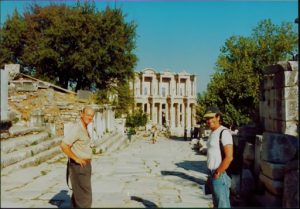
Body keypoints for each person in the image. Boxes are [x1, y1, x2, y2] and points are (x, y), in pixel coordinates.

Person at [60, 106, 95, 208]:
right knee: (85, 199)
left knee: (79, 196)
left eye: (92, 116)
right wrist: (76, 158)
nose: (90, 118)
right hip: (79, 167)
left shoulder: (84, 127)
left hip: (84, 167)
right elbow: (64, 145)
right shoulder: (77, 128)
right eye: (88, 115)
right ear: (82, 114)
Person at [204, 105, 233, 208]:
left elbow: (229, 157)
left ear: (218, 117)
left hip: (220, 174)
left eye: (212, 117)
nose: (209, 120)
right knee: (217, 205)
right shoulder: (212, 133)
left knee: (223, 205)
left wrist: (218, 172)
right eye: (207, 118)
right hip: (212, 173)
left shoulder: (224, 133)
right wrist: (210, 175)